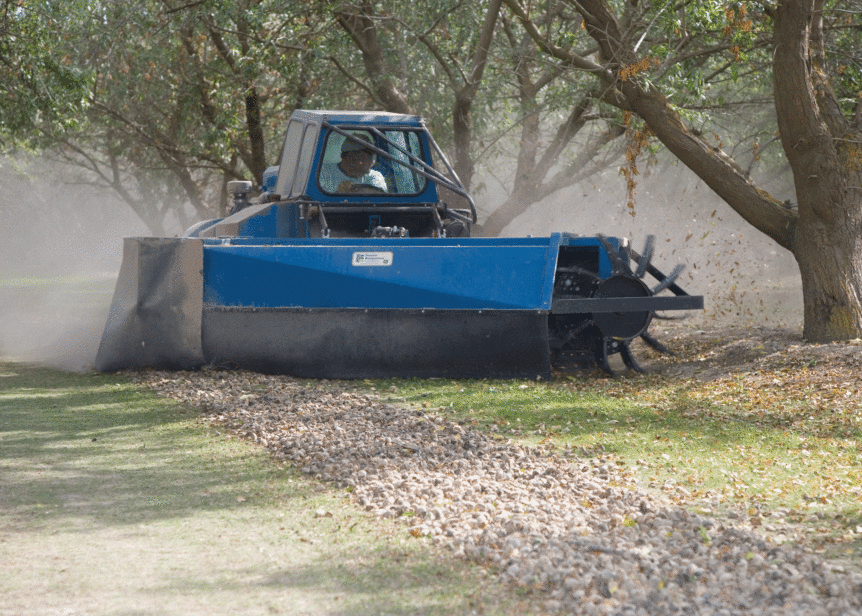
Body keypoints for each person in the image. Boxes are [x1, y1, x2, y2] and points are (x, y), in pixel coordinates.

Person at [319, 133, 388, 194]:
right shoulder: (323, 172)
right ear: (350, 157)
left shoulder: (375, 176)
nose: (371, 161)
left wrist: (356, 189)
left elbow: (381, 200)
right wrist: (339, 191)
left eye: (371, 156)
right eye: (366, 156)